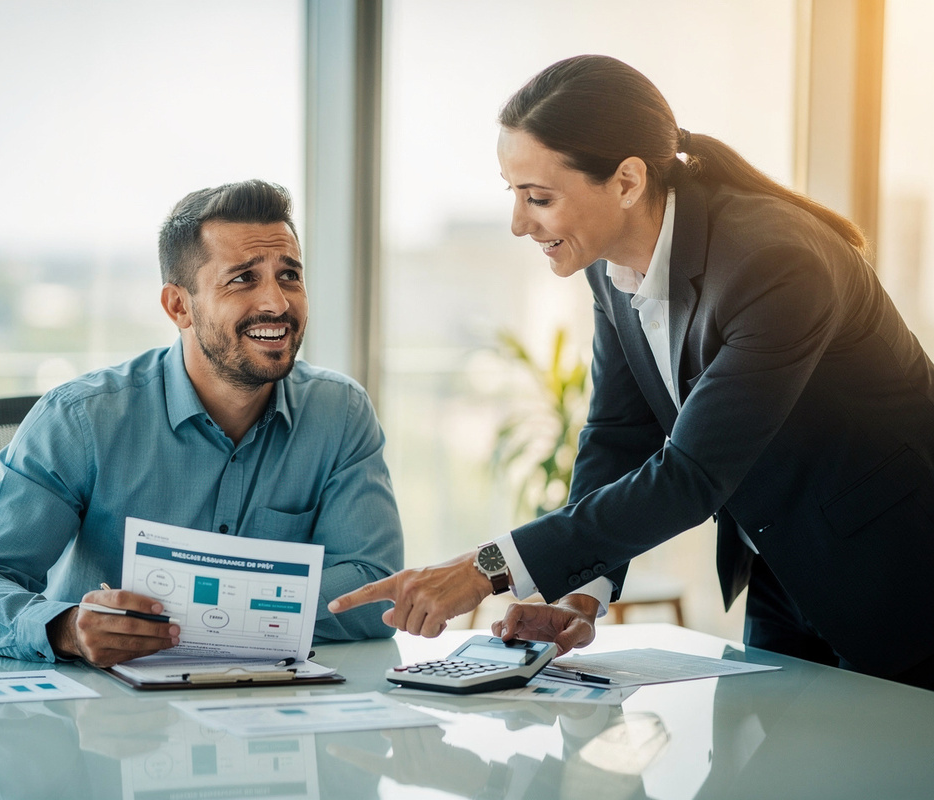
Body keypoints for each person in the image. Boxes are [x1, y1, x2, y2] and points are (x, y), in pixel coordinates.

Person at [330, 55, 934, 689]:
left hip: (899, 572)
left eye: (539, 198)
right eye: (514, 194)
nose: (518, 223)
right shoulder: (610, 266)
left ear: (626, 181)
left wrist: (486, 568)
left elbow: (691, 474)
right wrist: (577, 594)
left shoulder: (775, 260)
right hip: (782, 567)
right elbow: (618, 433)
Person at [0, 179, 403, 666]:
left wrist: (202, 609)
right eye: (244, 279)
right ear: (179, 306)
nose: (277, 303)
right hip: (103, 718)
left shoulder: (341, 413)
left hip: (270, 714)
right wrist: (67, 630)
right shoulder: (81, 419)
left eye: (289, 276)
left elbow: (376, 592)